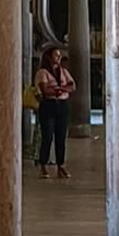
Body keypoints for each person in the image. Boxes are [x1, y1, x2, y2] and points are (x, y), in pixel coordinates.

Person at [34, 43, 75, 176]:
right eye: (56, 55)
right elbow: (46, 90)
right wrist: (60, 89)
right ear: (49, 57)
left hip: (62, 105)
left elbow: (72, 86)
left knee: (61, 137)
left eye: (59, 55)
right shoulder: (42, 72)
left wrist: (59, 89)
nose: (59, 57)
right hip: (48, 106)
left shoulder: (63, 71)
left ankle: (61, 165)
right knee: (47, 136)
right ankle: (43, 164)